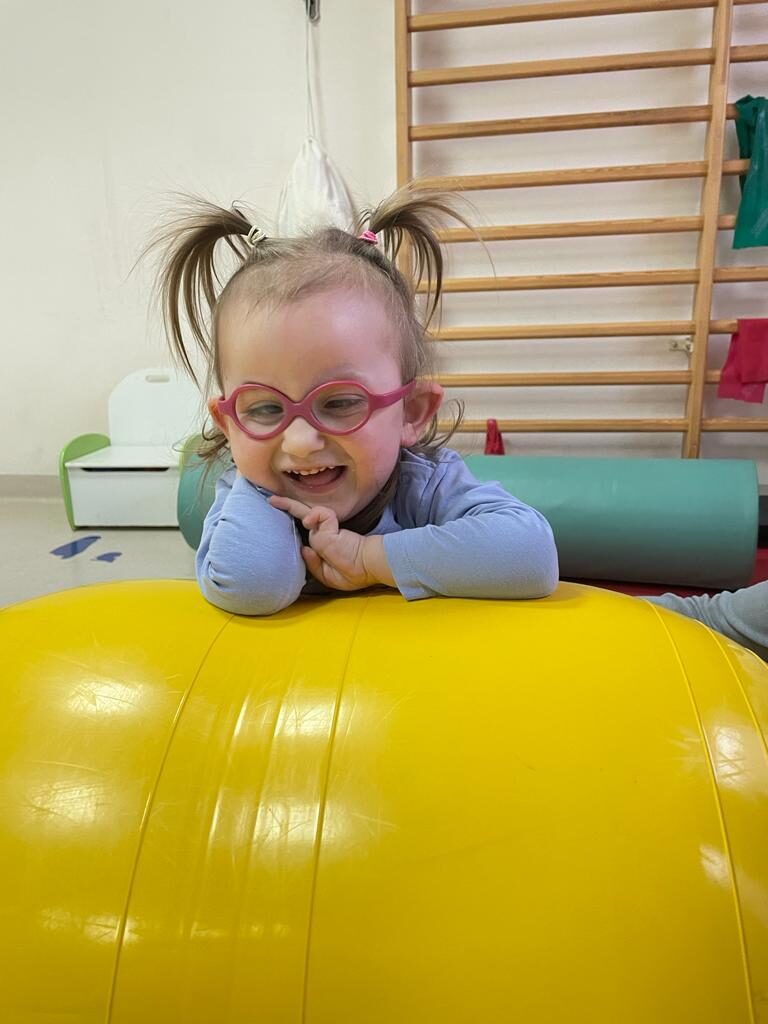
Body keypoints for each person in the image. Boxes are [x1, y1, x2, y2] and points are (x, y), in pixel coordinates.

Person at [151, 185, 766, 661]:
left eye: (340, 402)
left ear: (412, 413)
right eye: (263, 408)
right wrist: (254, 470)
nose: (301, 441)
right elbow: (255, 584)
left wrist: (368, 556)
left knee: (691, 627)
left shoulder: (424, 483)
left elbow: (531, 556)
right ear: (227, 422)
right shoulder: (248, 492)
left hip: (523, 646)